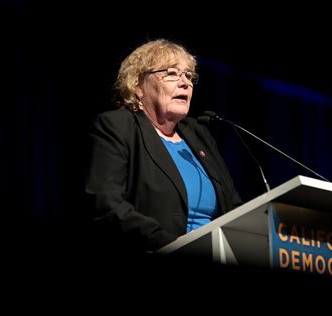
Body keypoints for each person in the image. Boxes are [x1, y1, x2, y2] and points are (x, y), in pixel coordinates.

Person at [85, 38, 242, 256]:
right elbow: (105, 205)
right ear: (138, 85)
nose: (185, 82)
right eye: (171, 73)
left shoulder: (199, 135)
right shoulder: (118, 127)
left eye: (189, 75)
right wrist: (173, 245)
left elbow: (234, 206)